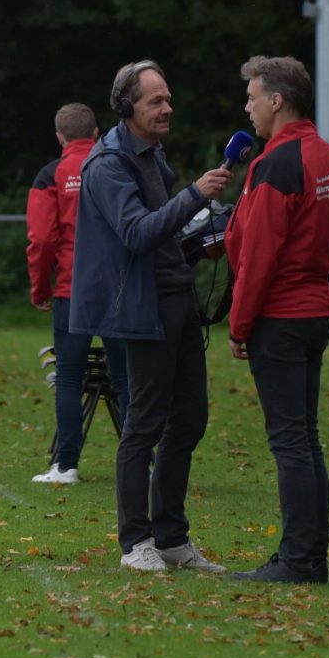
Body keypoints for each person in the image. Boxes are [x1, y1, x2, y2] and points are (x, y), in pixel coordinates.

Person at [70, 59, 233, 573]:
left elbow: (166, 233)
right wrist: (196, 195)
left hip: (178, 300)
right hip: (142, 308)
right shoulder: (107, 164)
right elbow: (138, 233)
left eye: (168, 99)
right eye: (155, 101)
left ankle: (172, 538)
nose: (167, 108)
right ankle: (135, 542)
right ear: (127, 106)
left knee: (190, 419)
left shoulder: (153, 154)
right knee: (142, 423)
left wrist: (205, 236)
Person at [223, 56, 329, 583]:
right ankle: (310, 557)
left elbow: (259, 254)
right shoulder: (328, 156)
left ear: (276, 101)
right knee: (306, 438)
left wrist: (239, 323)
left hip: (281, 313)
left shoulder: (277, 163)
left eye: (253, 98)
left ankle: (298, 560)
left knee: (290, 442)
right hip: (316, 306)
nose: (248, 108)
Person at [26, 102, 103, 485]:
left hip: (72, 288)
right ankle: (145, 465)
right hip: (117, 288)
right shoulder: (115, 166)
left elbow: (42, 239)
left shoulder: (51, 175)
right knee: (127, 378)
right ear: (96, 133)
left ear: (59, 137)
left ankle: (66, 465)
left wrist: (40, 288)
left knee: (70, 377)